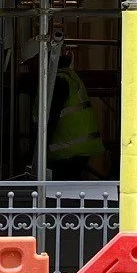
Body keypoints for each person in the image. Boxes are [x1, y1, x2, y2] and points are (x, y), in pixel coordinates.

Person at [46, 47, 105, 178]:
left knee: (59, 193)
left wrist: (39, 150)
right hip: (76, 150)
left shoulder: (59, 81)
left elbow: (51, 119)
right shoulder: (69, 77)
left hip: (66, 152)